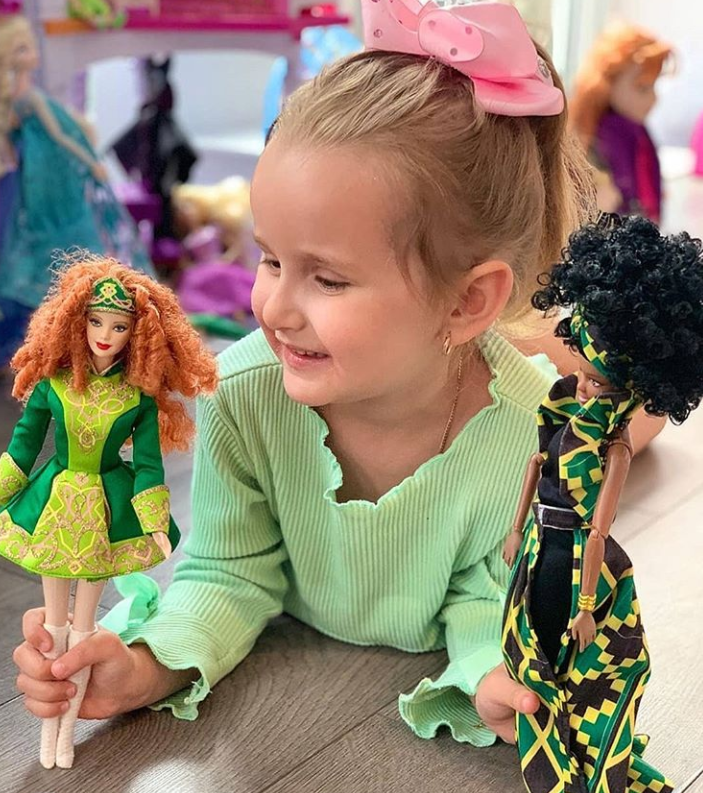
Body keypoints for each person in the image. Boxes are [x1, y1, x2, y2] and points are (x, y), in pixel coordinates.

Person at [13, 0, 600, 751]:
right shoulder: (244, 392)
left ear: (466, 301)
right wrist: (144, 665)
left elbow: (487, 594)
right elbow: (226, 572)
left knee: (614, 414)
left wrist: (493, 670)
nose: (275, 308)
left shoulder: (533, 433)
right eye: (269, 259)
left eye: (326, 278)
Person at [502, 214, 703, 793]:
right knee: (531, 641)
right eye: (584, 374)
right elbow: (536, 463)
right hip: (538, 542)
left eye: (600, 383)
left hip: (574, 558)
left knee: (573, 656)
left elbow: (598, 529)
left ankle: (579, 757)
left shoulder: (614, 447)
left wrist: (588, 604)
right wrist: (516, 527)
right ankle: (547, 729)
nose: (585, 387)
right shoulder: (559, 408)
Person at [1, 255, 218, 767]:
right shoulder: (54, 384)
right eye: (96, 322)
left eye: (119, 326)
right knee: (54, 623)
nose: (105, 335)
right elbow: (24, 444)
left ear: (137, 335)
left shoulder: (137, 399)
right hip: (55, 500)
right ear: (75, 323)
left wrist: (154, 519)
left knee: (84, 629)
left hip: (105, 507)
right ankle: (50, 737)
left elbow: (147, 465)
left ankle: (65, 734)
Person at [0, 14, 154, 367]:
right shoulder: (29, 97)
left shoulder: (18, 100)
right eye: (22, 49)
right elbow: (60, 136)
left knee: (61, 240)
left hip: (41, 176)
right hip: (48, 177)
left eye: (29, 47)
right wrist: (90, 160)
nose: (32, 54)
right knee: (70, 238)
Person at [569, 25, 672, 224]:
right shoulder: (594, 136)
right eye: (642, 88)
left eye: (653, 86)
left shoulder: (637, 134)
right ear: (608, 82)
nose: (654, 98)